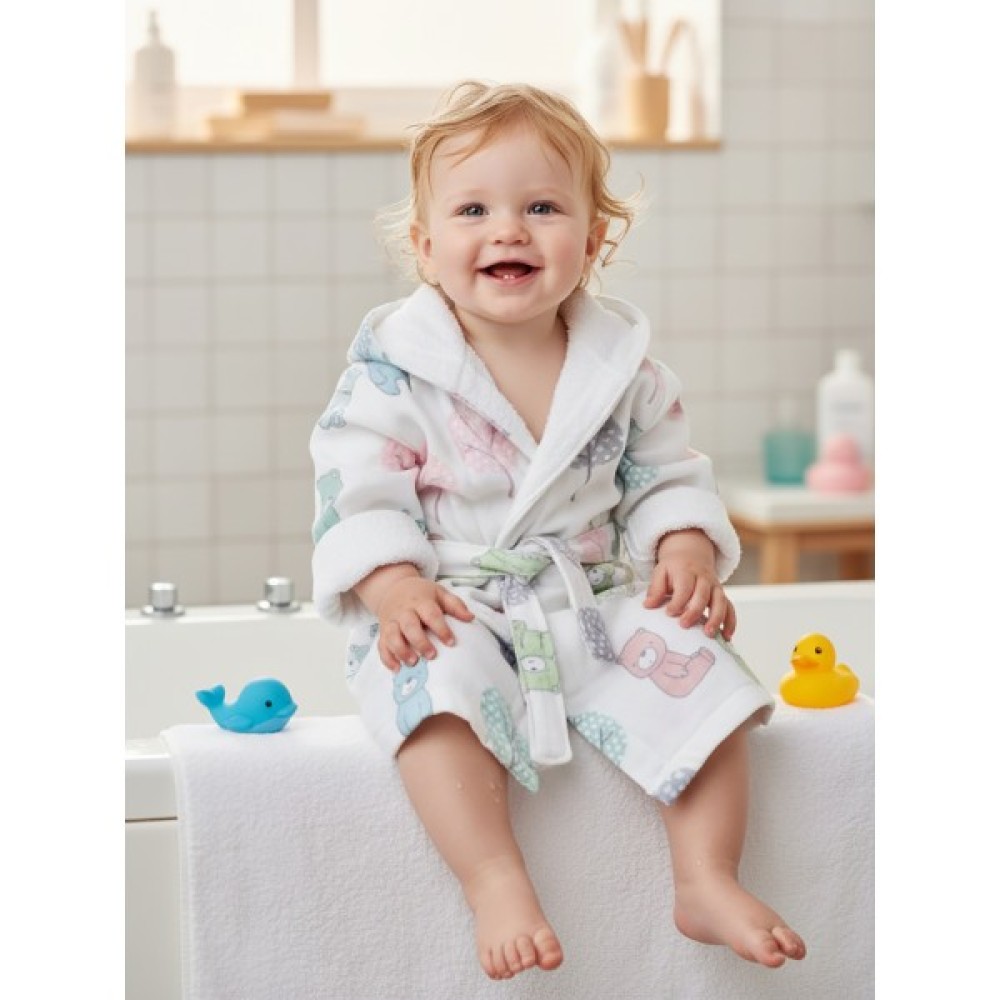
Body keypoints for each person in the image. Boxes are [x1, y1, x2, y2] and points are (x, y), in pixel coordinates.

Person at [310, 80, 806, 981]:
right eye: (473, 210)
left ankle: (705, 875)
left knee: (707, 671)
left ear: (595, 238)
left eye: (541, 207)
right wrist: (393, 585)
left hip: (591, 600)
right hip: (458, 601)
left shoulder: (625, 371)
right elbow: (359, 495)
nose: (508, 229)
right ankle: (494, 878)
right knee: (433, 688)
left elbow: (666, 476)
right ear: (426, 247)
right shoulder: (393, 374)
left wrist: (684, 546)